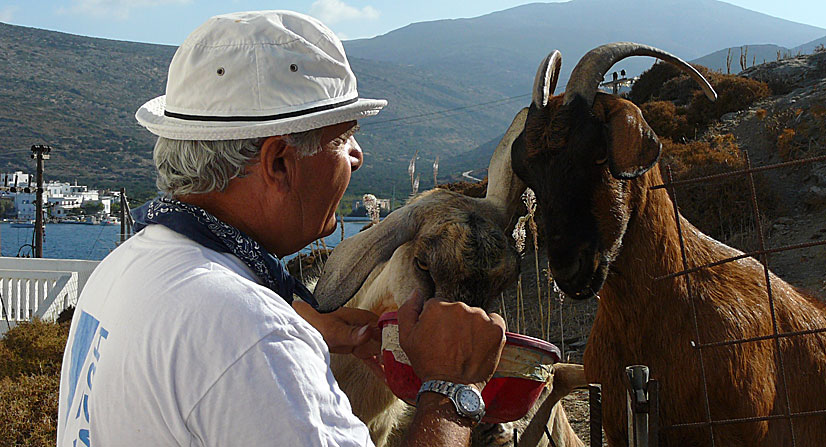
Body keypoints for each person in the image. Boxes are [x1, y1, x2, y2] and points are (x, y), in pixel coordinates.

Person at [57, 10, 506, 447]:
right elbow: (239, 344)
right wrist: (450, 391)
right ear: (277, 162)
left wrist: (301, 326)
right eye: (342, 138)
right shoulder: (253, 336)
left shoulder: (126, 267)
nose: (357, 156)